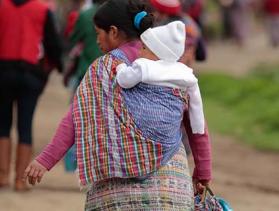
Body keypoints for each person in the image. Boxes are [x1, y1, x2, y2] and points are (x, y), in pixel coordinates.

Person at [23, 0, 211, 210]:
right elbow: (197, 126)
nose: (97, 40)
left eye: (98, 33)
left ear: (113, 32)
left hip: (115, 194)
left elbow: (76, 119)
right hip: (170, 187)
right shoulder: (174, 69)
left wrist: (45, 160)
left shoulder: (103, 69)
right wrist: (203, 171)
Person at [0, 0, 63, 191]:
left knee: (2, 125)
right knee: (25, 126)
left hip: (2, 72)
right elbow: (53, 44)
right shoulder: (43, 10)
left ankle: (2, 176)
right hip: (30, 73)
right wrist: (53, 67)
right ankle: (20, 180)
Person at [116, 21, 205, 140]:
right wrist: (198, 126)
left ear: (157, 53)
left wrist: (121, 67)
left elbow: (124, 81)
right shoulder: (186, 72)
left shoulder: (144, 66)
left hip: (142, 125)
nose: (139, 52)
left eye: (143, 47)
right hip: (169, 128)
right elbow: (196, 103)